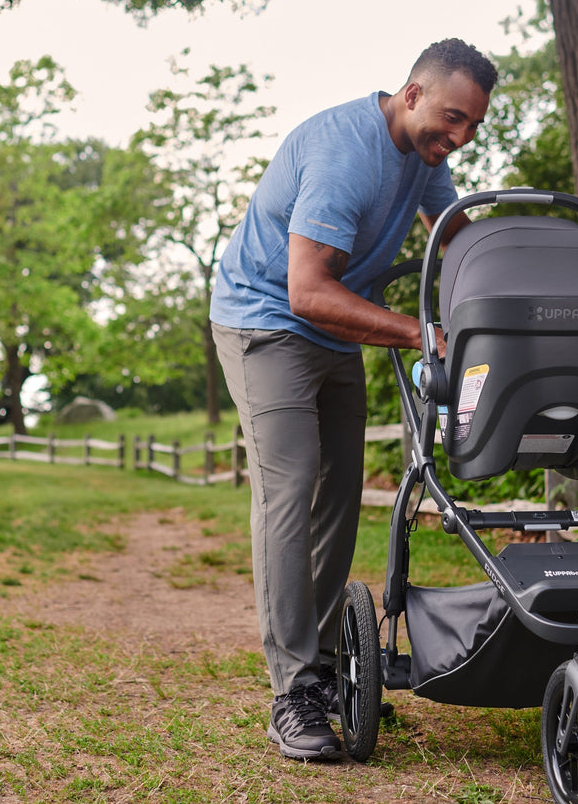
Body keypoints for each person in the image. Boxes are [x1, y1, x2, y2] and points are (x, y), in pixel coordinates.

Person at [210, 38, 498, 760]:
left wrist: (510, 288)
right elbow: (304, 291)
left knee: (339, 493)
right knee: (290, 486)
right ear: (411, 94)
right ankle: (293, 690)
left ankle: (328, 669)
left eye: (471, 127)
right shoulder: (346, 153)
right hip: (263, 322)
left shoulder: (422, 157)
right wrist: (417, 331)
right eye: (452, 117)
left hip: (335, 331)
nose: (458, 137)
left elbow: (456, 236)